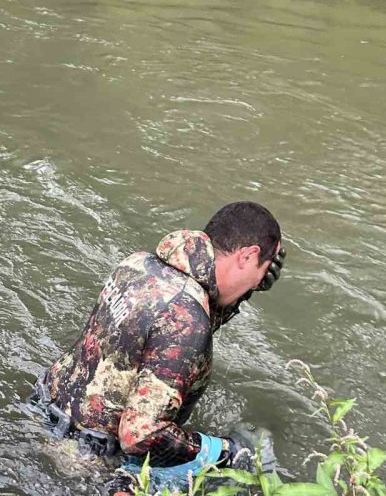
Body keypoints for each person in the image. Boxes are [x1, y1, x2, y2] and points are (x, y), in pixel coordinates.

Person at [30, 201, 286, 494]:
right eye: (262, 268)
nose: (258, 280)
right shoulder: (187, 319)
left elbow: (171, 331)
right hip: (87, 465)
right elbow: (140, 436)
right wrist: (226, 451)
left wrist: (244, 291)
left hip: (39, 411)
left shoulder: (140, 264)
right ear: (248, 255)